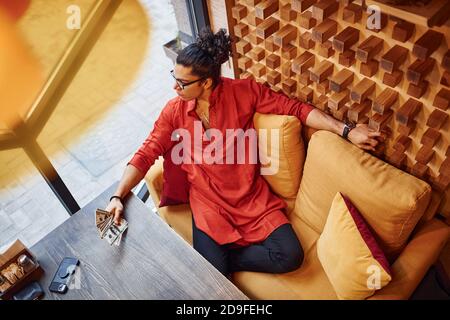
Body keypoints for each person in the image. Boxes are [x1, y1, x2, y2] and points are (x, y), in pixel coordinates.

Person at [105, 28, 382, 277]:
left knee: (290, 256)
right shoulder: (174, 110)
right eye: (174, 77)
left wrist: (346, 130)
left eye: (182, 83)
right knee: (213, 280)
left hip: (251, 199)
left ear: (207, 82)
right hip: (208, 205)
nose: (174, 87)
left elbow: (295, 108)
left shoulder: (244, 92)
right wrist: (118, 196)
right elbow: (145, 153)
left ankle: (229, 259)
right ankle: (219, 262)